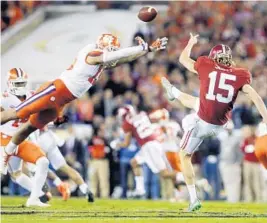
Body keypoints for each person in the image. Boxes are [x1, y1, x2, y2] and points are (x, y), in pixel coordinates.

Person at [0, 34, 168, 175]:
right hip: (55, 91)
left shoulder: (101, 58)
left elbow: (121, 60)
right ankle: (5, 153)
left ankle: (6, 153)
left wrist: (148, 50)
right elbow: (112, 57)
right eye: (111, 50)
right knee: (18, 112)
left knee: (30, 127)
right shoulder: (92, 53)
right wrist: (141, 48)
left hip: (62, 101)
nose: (113, 54)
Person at [161, 33, 267, 211]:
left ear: (213, 58)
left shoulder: (206, 65)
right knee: (195, 102)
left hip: (202, 122)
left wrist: (191, 43)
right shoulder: (240, 74)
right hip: (221, 125)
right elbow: (256, 97)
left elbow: (183, 59)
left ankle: (193, 199)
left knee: (184, 156)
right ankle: (174, 93)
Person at [0, 68, 49, 207]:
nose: (20, 87)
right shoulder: (3, 98)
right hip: (3, 140)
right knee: (12, 173)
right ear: (9, 83)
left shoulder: (32, 95)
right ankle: (38, 193)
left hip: (21, 140)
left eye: (22, 83)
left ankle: (34, 198)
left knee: (43, 162)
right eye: (17, 84)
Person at [111, 105, 185, 197]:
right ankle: (140, 189)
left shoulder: (127, 122)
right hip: (155, 143)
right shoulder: (142, 115)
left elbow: (126, 143)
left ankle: (184, 177)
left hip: (149, 147)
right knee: (134, 162)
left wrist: (116, 144)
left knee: (164, 174)